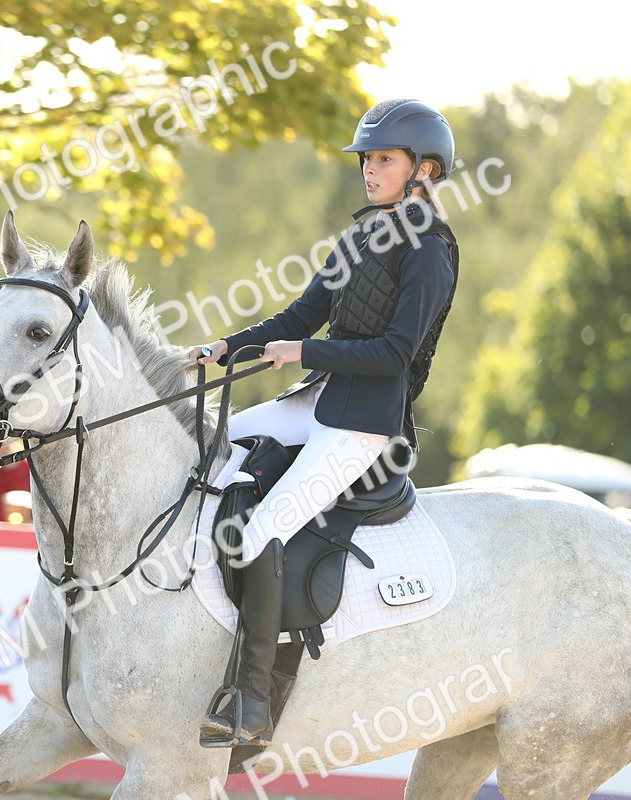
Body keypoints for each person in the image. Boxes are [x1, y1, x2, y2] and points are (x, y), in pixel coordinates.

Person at [188, 99, 460, 747]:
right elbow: (298, 317)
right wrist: (226, 347)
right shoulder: (363, 237)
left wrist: (303, 353)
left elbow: (395, 353)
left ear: (424, 169)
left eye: (384, 159)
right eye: (367, 159)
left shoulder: (430, 252)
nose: (369, 169)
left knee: (262, 531)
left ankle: (253, 700)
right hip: (321, 399)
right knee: (214, 450)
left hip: (366, 424)